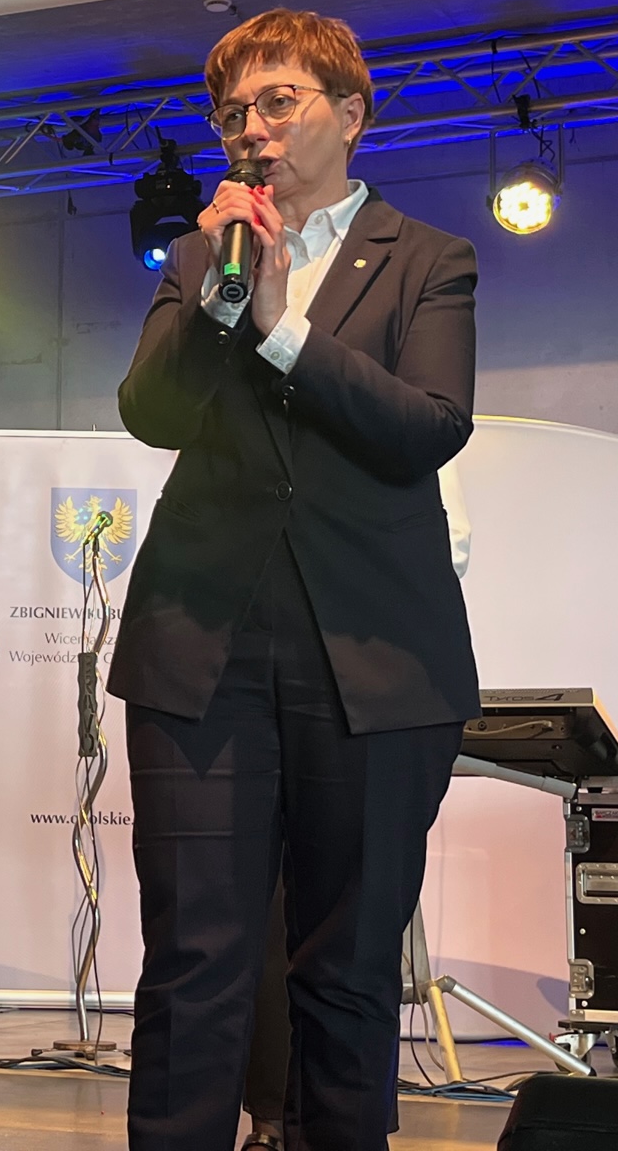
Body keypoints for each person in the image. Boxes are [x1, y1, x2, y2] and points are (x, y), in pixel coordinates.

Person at [113, 9, 480, 1151]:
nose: (252, 130)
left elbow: (426, 428)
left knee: (349, 967)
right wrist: (226, 299)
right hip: (200, 648)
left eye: (279, 103)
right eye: (234, 114)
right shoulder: (198, 257)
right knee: (193, 958)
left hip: (371, 657)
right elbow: (153, 412)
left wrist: (282, 331)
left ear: (350, 114)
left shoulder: (428, 260)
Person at [239, 461, 472, 1151]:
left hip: (376, 678)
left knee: (355, 931)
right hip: (278, 671)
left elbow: (449, 545)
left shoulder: (412, 429)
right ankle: (275, 1115)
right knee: (276, 919)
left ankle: (342, 1125)